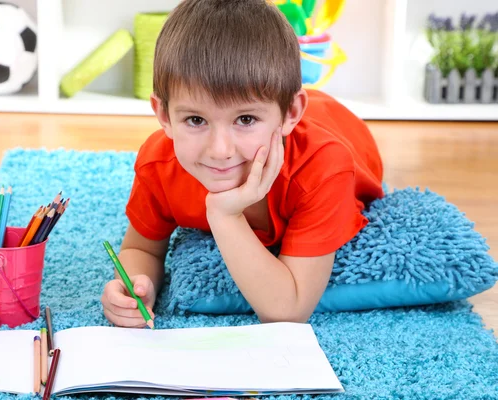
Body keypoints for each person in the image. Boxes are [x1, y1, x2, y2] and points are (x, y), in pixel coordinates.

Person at [101, 0, 384, 327]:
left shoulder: (323, 168)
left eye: (245, 119)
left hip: (337, 126)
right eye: (195, 119)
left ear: (291, 114)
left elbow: (287, 310)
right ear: (163, 115)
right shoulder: (158, 163)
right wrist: (136, 284)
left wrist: (225, 214)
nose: (219, 151)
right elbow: (142, 249)